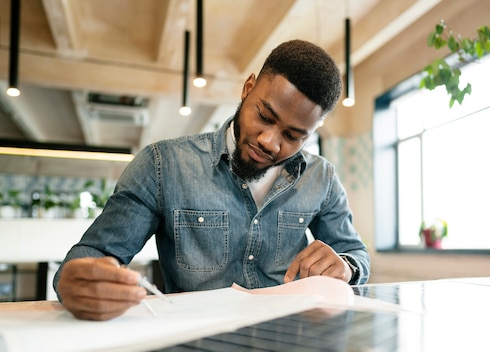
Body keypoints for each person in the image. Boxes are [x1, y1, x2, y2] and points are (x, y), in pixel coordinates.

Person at [53, 39, 370, 321]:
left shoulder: (322, 178)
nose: (270, 142)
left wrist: (345, 265)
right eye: (265, 116)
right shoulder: (163, 165)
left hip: (289, 338)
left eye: (292, 135)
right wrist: (75, 281)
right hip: (194, 340)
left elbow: (356, 255)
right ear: (248, 88)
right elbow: (93, 253)